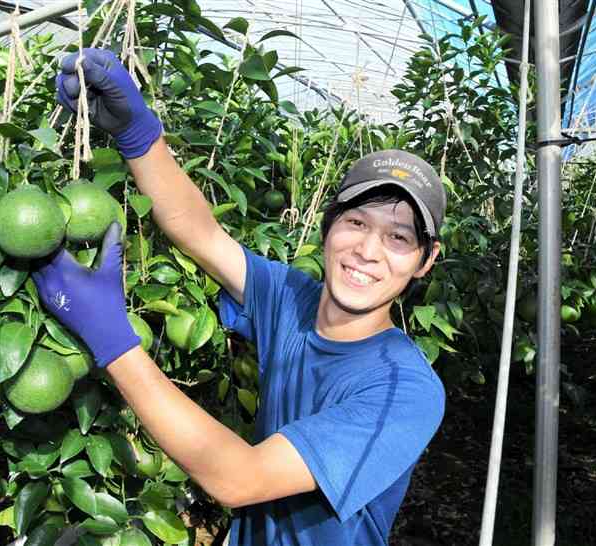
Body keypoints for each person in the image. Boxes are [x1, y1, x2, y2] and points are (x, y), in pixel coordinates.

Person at [33, 48, 446, 546]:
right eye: (357, 223)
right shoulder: (294, 299)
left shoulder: (405, 391)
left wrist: (115, 343)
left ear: (425, 260)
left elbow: (240, 479)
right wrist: (137, 135)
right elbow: (200, 233)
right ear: (329, 227)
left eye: (398, 238)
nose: (368, 251)